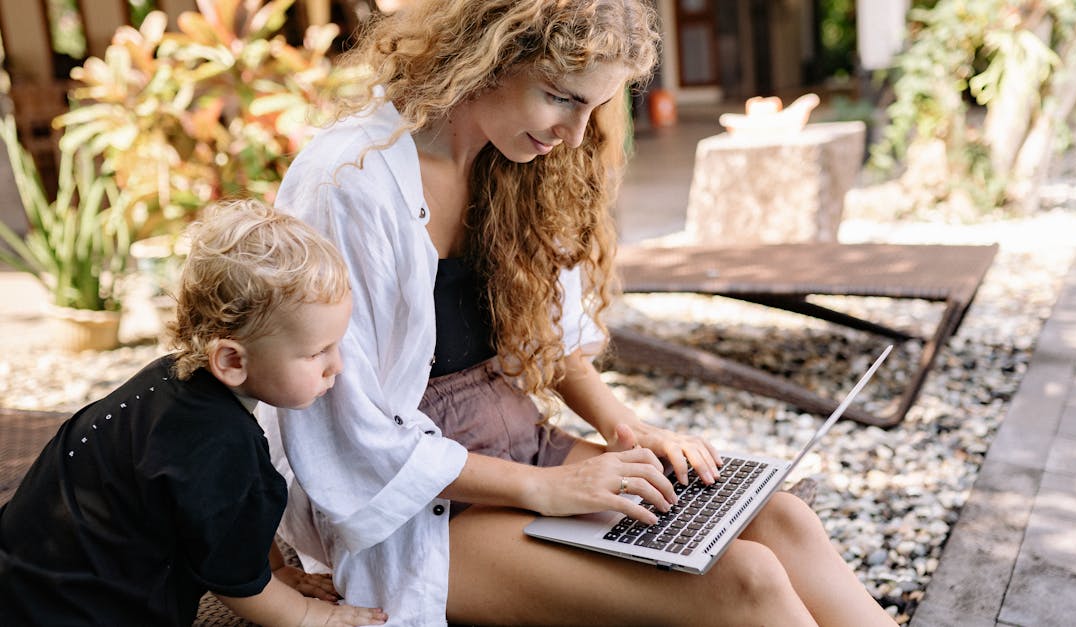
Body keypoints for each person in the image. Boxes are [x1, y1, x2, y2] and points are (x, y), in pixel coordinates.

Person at [262, 1, 895, 625]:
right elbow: (347, 434)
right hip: (418, 506)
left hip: (521, 448)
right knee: (745, 579)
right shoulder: (349, 182)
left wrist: (630, 430)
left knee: (779, 518)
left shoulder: (512, 164)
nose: (577, 133)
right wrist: (546, 490)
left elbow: (547, 342)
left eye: (595, 107)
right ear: (485, 55)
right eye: (563, 97)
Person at [0, 200, 387, 627]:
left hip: (25, 579)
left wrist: (274, 569)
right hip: (75, 610)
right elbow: (234, 579)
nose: (338, 366)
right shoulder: (217, 441)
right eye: (317, 352)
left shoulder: (173, 382)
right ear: (233, 361)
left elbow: (223, 513)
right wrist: (312, 615)